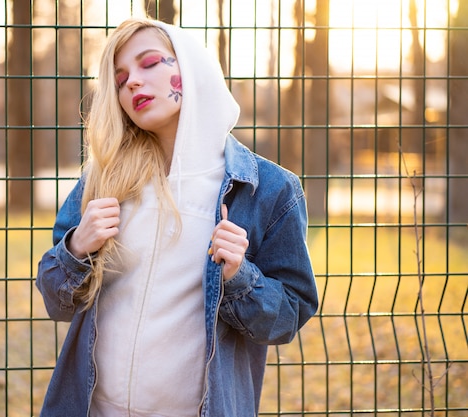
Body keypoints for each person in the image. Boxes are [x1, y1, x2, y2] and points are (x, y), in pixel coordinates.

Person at [36, 17, 318, 417]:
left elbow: (289, 316)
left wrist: (240, 276)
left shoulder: (269, 191)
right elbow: (56, 301)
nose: (132, 82)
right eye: (119, 79)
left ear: (191, 66)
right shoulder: (103, 179)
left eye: (149, 63)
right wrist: (77, 247)